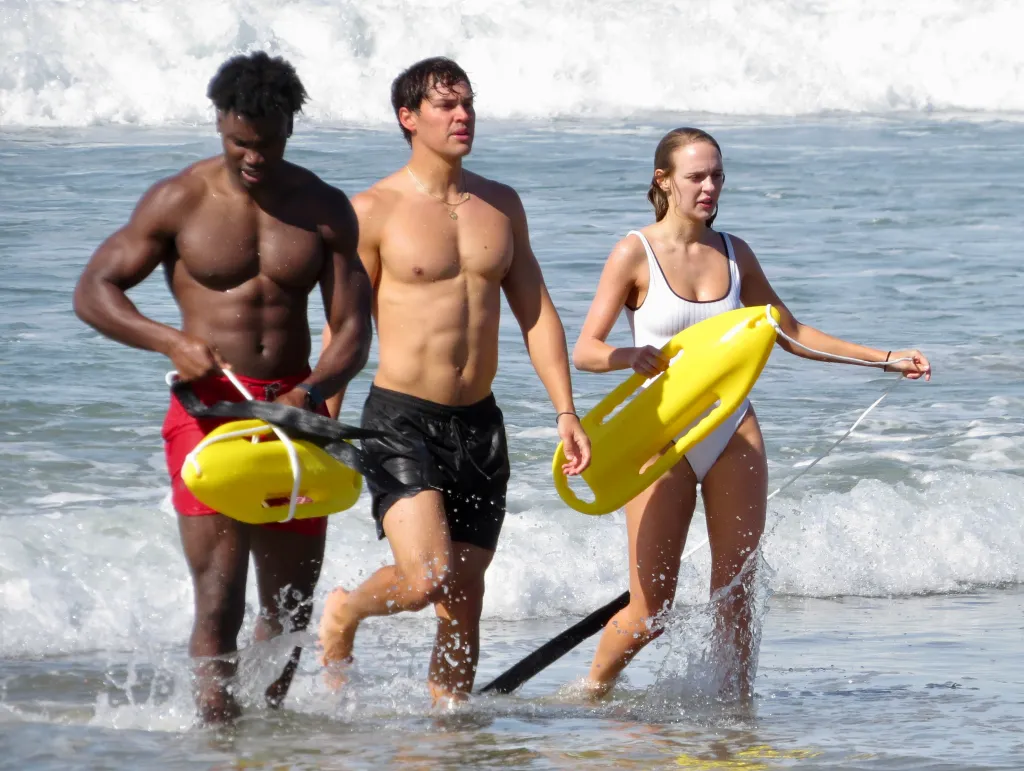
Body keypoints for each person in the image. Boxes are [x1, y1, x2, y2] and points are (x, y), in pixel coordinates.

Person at [572, 127, 931, 699]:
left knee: (734, 596)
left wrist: (886, 359)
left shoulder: (735, 254)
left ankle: (735, 716)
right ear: (664, 181)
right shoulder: (633, 253)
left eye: (717, 174)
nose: (710, 186)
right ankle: (589, 694)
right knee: (651, 610)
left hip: (733, 432)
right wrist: (627, 356)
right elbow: (585, 350)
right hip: (659, 437)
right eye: (696, 176)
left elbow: (792, 333)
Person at [72, 52, 372, 723]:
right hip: (208, 412)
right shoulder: (178, 199)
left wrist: (315, 387)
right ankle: (219, 737)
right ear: (219, 125)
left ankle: (264, 732)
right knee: (219, 598)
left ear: (288, 129)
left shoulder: (323, 209)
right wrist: (170, 341)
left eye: (266, 143)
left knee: (290, 603)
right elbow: (93, 290)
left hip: (295, 410)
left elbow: (353, 330)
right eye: (240, 142)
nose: (253, 157)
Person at [317, 56, 592, 703]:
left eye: (468, 102)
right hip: (400, 419)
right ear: (408, 117)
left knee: (464, 601)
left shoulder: (501, 207)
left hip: (480, 424)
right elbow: (343, 330)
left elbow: (538, 313)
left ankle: (448, 735)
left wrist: (566, 412)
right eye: (446, 104)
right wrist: (320, 420)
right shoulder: (374, 210)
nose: (463, 114)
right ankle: (346, 610)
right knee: (427, 578)